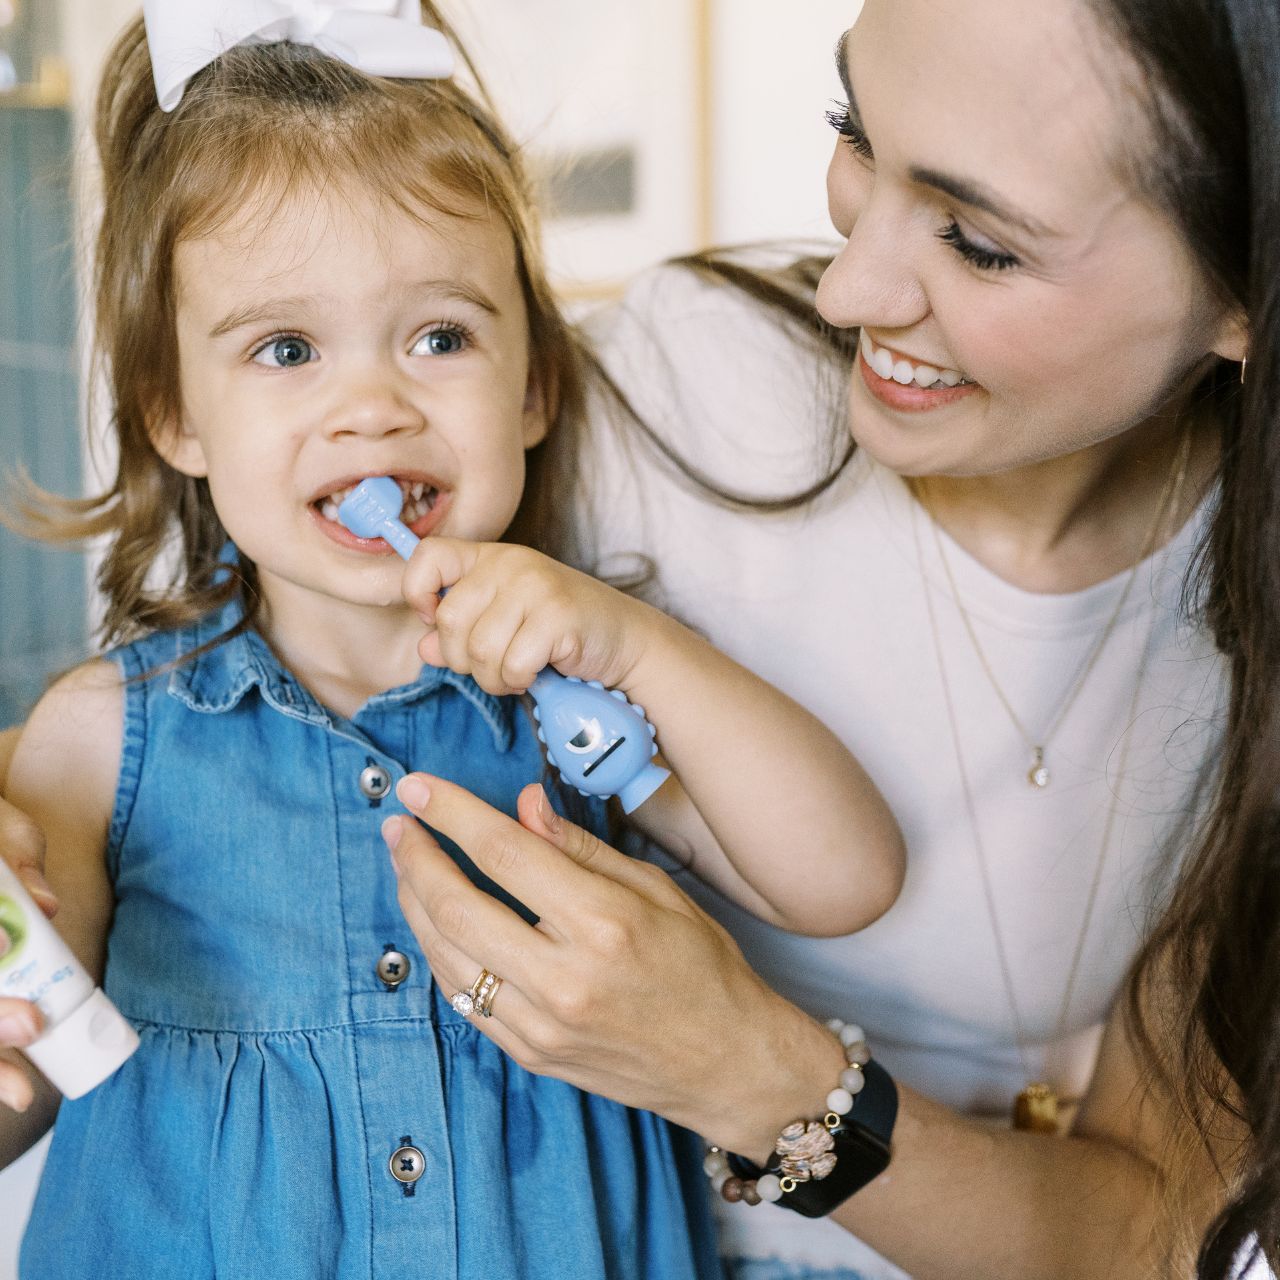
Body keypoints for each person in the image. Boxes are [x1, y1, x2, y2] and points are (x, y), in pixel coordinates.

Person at [372, 0, 1280, 1277]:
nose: (847, 288)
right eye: (854, 130)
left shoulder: (1247, 628)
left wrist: (752, 1071)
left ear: (1246, 292)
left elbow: (1149, 1233)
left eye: (978, 243)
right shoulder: (667, 397)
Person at [0, 4, 909, 1276]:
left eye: (440, 336)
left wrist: (635, 649)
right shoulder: (98, 736)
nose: (371, 404)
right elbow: (25, 1085)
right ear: (175, 415)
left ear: (531, 383)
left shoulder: (578, 700)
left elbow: (847, 877)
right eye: (285, 347)